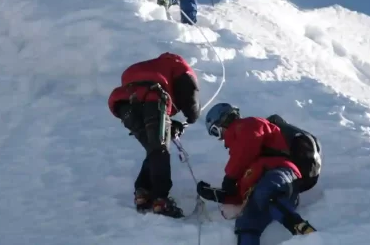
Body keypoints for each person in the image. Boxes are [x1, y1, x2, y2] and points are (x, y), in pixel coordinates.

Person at [197, 103, 317, 244]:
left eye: (216, 132)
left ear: (223, 121)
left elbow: (247, 147)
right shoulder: (245, 164)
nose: (221, 138)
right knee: (246, 223)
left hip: (280, 173)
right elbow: (240, 190)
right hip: (260, 193)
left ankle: (302, 229)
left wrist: (229, 177)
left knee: (266, 191)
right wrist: (219, 194)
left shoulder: (248, 125)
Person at [107, 52, 201, 218]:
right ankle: (160, 199)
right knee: (160, 150)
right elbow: (189, 88)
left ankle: (143, 192)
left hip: (124, 106)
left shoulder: (150, 67)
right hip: (153, 99)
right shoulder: (177, 63)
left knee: (154, 148)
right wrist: (192, 116)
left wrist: (170, 124)